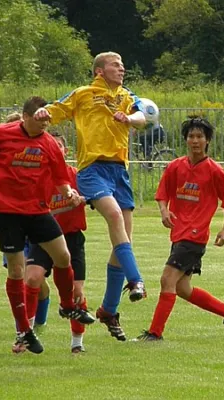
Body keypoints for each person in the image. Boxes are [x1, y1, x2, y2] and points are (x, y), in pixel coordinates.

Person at [0, 96, 94, 354]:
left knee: (63, 256)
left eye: (47, 122)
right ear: (26, 117)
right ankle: (24, 330)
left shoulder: (49, 143)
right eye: (40, 121)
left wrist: (69, 192)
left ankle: (66, 305)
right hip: (8, 214)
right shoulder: (2, 134)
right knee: (17, 272)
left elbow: (60, 175)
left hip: (38, 211)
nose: (44, 126)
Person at [33, 51, 147, 341]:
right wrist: (43, 112)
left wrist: (129, 118)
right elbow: (56, 110)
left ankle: (109, 310)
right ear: (99, 70)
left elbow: (143, 115)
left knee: (124, 240)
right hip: (92, 169)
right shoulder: (84, 94)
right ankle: (137, 281)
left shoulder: (125, 94)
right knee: (114, 216)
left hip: (119, 170)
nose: (121, 68)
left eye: (122, 64)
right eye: (115, 65)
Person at [135, 117, 224, 341]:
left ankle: (155, 333)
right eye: (191, 136)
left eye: (199, 137)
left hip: (194, 236)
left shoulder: (215, 171)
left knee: (167, 280)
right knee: (183, 288)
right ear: (186, 140)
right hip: (178, 233)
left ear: (207, 141)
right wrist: (164, 211)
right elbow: (162, 194)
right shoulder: (176, 166)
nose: (195, 141)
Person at [0, 111, 51, 332]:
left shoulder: (34, 156)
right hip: (11, 224)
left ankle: (35, 324)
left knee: (32, 277)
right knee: (20, 275)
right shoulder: (2, 165)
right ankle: (29, 325)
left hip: (34, 224)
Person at [25, 134, 90, 354]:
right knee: (32, 278)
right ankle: (26, 334)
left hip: (71, 238)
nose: (55, 150)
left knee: (77, 292)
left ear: (64, 152)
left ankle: (77, 343)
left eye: (59, 146)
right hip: (44, 237)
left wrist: (81, 198)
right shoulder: (39, 177)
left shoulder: (76, 176)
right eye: (52, 146)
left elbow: (92, 196)